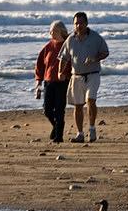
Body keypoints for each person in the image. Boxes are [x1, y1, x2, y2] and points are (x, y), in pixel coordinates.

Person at [57, 11, 109, 143]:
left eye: (81, 23)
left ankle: (92, 128)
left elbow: (105, 52)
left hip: (93, 74)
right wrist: (60, 72)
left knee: (90, 100)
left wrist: (95, 58)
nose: (78, 26)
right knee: (78, 105)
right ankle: (80, 133)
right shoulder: (70, 40)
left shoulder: (96, 38)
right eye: (76, 24)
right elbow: (63, 58)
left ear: (86, 23)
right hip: (76, 76)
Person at [35, 20, 70, 142]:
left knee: (60, 109)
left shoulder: (68, 45)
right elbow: (40, 64)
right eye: (50, 30)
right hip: (48, 81)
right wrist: (38, 82)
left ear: (61, 31)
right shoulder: (48, 46)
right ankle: (56, 127)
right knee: (47, 109)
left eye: (53, 30)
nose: (51, 33)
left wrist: (68, 76)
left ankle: (59, 136)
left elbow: (73, 63)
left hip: (62, 82)